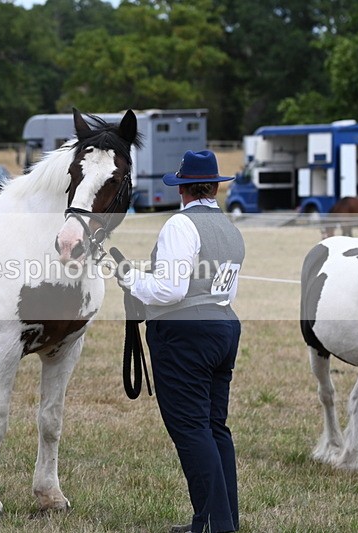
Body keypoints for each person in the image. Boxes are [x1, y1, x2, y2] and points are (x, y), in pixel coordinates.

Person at [118, 150, 244, 533]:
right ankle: (218, 520)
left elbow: (170, 290)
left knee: (191, 430)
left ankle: (213, 524)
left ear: (184, 189)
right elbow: (222, 286)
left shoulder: (180, 225)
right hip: (223, 325)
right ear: (214, 188)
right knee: (213, 427)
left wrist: (130, 279)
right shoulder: (229, 227)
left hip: (185, 334)